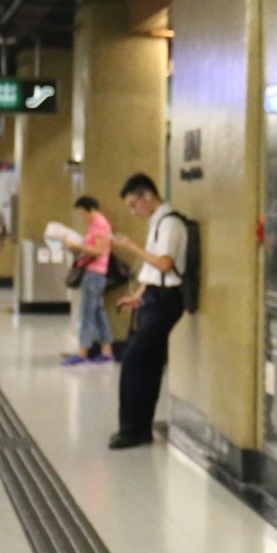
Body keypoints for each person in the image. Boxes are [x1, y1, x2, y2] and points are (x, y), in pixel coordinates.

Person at [106, 173, 187, 449]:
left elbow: (164, 264)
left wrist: (132, 247)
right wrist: (138, 295)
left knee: (133, 361)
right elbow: (153, 271)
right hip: (154, 295)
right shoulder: (157, 223)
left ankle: (130, 429)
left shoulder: (170, 224)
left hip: (166, 299)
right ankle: (141, 429)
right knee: (149, 365)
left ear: (147, 195)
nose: (133, 211)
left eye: (133, 204)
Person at [63, 195, 116, 367]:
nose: (81, 217)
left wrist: (77, 246)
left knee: (87, 313)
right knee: (98, 313)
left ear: (90, 210)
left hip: (94, 273)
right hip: (96, 273)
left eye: (82, 213)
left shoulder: (99, 224)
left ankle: (82, 352)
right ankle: (107, 351)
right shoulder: (96, 224)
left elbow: (99, 251)